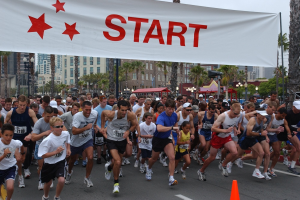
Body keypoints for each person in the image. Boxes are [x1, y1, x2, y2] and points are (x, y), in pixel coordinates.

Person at [197, 103, 241, 181]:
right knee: (212, 158)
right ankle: (201, 171)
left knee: (234, 152)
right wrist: (225, 130)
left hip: (226, 137)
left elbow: (232, 124)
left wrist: (235, 129)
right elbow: (213, 128)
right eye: (235, 113)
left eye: (237, 114)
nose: (236, 115)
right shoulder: (223, 116)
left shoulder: (237, 115)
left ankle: (223, 165)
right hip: (217, 137)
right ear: (231, 109)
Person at [101, 100, 137, 193]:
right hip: (111, 140)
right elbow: (102, 114)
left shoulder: (131, 115)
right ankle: (116, 184)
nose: (124, 112)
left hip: (121, 140)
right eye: (122, 110)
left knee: (118, 162)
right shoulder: (111, 114)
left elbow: (134, 125)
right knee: (117, 161)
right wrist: (102, 127)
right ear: (118, 109)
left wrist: (128, 131)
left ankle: (109, 168)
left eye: (126, 110)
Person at [4, 95, 38, 187]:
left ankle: (26, 168)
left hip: (25, 137)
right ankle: (20, 176)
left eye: (24, 105)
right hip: (15, 138)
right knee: (18, 158)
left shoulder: (29, 111)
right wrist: (7, 134)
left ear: (26, 104)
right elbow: (5, 124)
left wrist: (31, 134)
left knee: (26, 154)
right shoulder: (11, 113)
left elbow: (37, 124)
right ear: (17, 104)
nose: (22, 107)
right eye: (20, 105)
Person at [146, 99, 179, 186]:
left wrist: (177, 130)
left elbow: (175, 123)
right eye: (169, 109)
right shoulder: (161, 116)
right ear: (165, 108)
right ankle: (149, 168)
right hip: (158, 139)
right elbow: (159, 128)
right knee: (154, 159)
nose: (171, 111)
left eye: (172, 109)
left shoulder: (175, 115)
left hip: (167, 139)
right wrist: (171, 128)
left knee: (172, 157)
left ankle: (171, 178)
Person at [65, 101, 98, 187]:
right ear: (82, 108)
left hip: (87, 139)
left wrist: (94, 126)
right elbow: (74, 131)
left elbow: (96, 117)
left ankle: (87, 178)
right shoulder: (77, 116)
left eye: (89, 110)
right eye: (86, 110)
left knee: (90, 157)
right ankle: (69, 173)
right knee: (72, 160)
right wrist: (86, 128)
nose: (88, 112)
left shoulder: (94, 113)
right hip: (76, 141)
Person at [38, 117, 71, 200]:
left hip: (60, 161)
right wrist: (56, 152)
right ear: (52, 128)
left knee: (61, 180)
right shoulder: (48, 140)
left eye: (61, 126)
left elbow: (67, 141)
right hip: (49, 163)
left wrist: (68, 149)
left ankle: (57, 197)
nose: (60, 128)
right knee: (48, 183)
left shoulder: (65, 133)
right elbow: (42, 155)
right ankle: (45, 196)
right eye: (58, 127)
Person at [237, 110, 270, 179]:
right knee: (238, 154)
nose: (263, 116)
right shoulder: (252, 120)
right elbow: (248, 133)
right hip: (245, 139)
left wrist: (265, 136)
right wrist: (261, 134)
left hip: (253, 139)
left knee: (261, 153)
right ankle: (229, 163)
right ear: (257, 114)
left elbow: (261, 129)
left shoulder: (263, 120)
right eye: (262, 115)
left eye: (264, 115)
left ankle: (256, 171)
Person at [31, 106, 55, 190]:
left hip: (51, 146)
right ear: (43, 114)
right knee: (42, 166)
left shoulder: (55, 121)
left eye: (52, 116)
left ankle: (49, 179)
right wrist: (44, 133)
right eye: (48, 116)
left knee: (51, 165)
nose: (50, 118)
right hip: (40, 145)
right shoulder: (39, 123)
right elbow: (33, 138)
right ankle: (41, 180)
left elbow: (64, 130)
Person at [0, 124, 25, 200]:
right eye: (6, 135)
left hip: (10, 167)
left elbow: (21, 145)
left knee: (10, 187)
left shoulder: (15, 143)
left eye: (11, 135)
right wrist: (4, 155)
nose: (8, 138)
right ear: (1, 134)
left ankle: (8, 199)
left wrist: (23, 155)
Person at [277, 101, 300, 174]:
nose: (298, 110)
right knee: (276, 152)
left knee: (298, 147)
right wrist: (296, 130)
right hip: (283, 131)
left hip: (291, 131)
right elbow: (287, 125)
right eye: (297, 108)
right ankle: (266, 160)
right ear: (293, 107)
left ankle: (292, 166)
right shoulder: (288, 113)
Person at [94, 96, 112, 164]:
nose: (105, 103)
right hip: (99, 127)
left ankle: (104, 153)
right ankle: (98, 157)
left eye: (106, 102)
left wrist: (106, 128)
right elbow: (95, 122)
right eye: (104, 102)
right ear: (100, 102)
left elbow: (110, 119)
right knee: (99, 144)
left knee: (107, 143)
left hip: (107, 127)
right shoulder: (96, 110)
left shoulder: (109, 108)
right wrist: (99, 129)